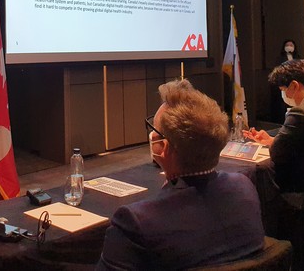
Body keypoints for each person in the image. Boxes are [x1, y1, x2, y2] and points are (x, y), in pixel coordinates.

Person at [97, 80, 264, 270]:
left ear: (163, 147)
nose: (151, 135)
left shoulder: (135, 222)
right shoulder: (244, 186)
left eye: (153, 129)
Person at [244, 59, 304, 192]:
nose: (283, 94)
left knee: (259, 171)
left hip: (303, 189)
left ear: (294, 86)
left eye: (283, 89)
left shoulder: (300, 112)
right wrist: (271, 140)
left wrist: (275, 144)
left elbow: (277, 154)